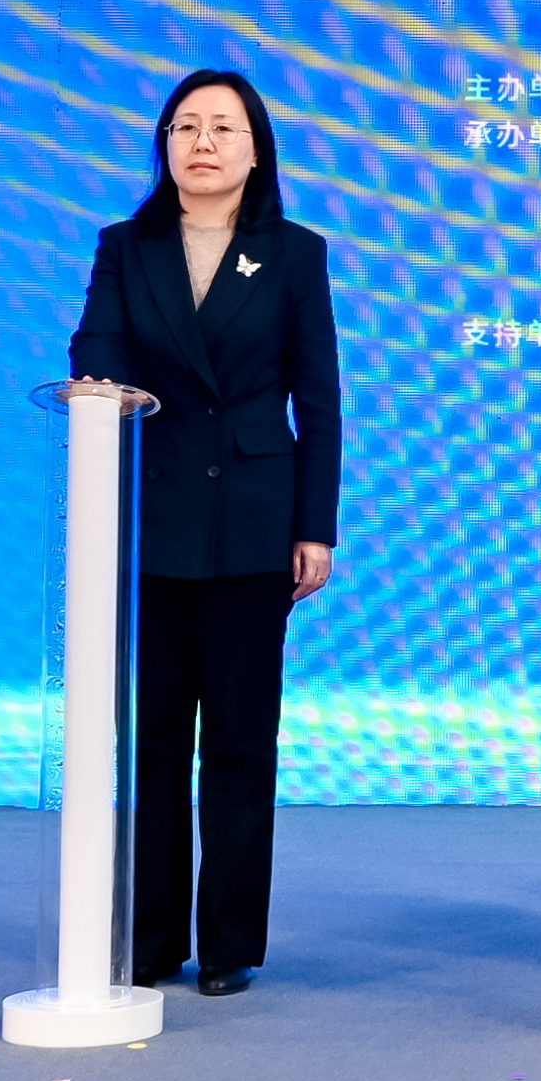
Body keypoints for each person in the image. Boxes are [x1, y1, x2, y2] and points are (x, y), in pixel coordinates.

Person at [66, 67, 341, 999]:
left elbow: (319, 399)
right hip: (153, 517)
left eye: (223, 127)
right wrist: (101, 383)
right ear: (165, 146)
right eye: (185, 126)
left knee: (238, 741)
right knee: (151, 745)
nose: (203, 143)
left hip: (256, 520)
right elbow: (96, 344)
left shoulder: (294, 253)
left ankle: (228, 943)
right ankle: (150, 937)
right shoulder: (126, 246)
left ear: (256, 150)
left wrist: (315, 525)